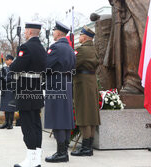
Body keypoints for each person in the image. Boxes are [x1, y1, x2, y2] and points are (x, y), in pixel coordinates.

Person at [10, 22, 46, 167]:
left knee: (28, 126)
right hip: (36, 90)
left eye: (25, 31)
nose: (24, 33)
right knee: (36, 125)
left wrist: (13, 63)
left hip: (25, 91)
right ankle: (35, 159)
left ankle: (30, 160)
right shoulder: (42, 48)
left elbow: (15, 67)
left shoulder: (26, 47)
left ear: (30, 32)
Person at [44, 21, 76, 163]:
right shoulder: (69, 48)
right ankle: (64, 150)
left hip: (56, 83)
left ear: (58, 33)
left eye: (54, 31)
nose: (53, 33)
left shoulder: (55, 47)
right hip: (67, 83)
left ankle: (61, 153)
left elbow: (46, 65)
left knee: (57, 117)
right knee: (65, 117)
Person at [71, 26, 100, 156]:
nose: (79, 37)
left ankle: (86, 148)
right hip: (92, 82)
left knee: (83, 115)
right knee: (92, 115)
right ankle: (89, 146)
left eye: (81, 35)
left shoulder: (81, 50)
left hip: (82, 83)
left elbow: (72, 65)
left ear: (85, 37)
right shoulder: (94, 49)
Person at [0, 54, 16, 130]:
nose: (6, 61)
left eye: (7, 59)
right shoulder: (4, 68)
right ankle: (6, 122)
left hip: (11, 89)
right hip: (5, 89)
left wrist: (5, 78)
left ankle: (10, 123)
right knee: (5, 107)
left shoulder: (14, 68)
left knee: (10, 107)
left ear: (11, 60)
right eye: (5, 60)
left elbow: (13, 78)